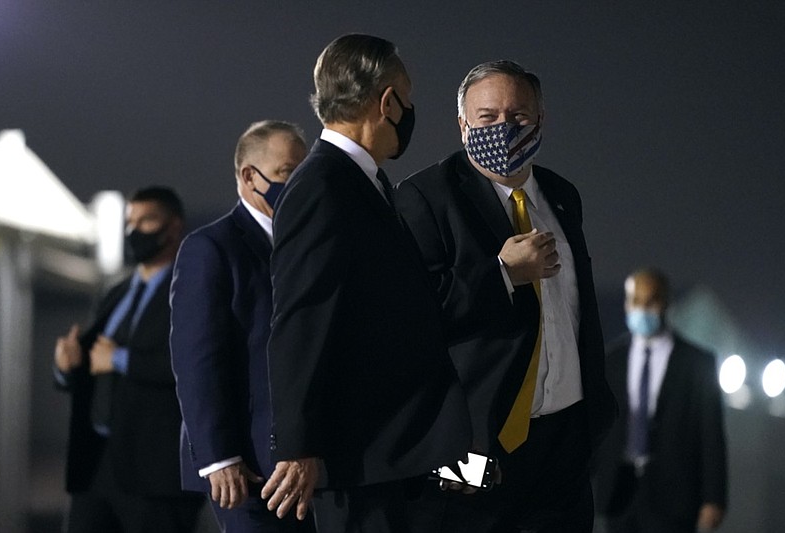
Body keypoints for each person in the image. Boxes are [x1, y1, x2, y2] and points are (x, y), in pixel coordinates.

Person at [394, 59, 618, 532]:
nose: (503, 128)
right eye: (488, 117)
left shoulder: (562, 195)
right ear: (462, 125)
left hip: (564, 446)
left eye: (517, 117)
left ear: (540, 120)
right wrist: (500, 274)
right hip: (476, 449)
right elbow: (409, 319)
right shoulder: (425, 198)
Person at [261, 33, 472, 532]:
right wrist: (299, 445)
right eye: (408, 96)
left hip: (393, 454)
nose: (411, 110)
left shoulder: (363, 183)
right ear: (386, 101)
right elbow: (299, 318)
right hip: (360, 460)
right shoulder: (322, 186)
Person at [169, 120, 313, 533]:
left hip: (307, 467)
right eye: (288, 173)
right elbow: (197, 360)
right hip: (248, 473)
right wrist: (219, 458)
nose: (298, 184)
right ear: (250, 176)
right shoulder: (210, 248)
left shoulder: (306, 246)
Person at [53, 186, 203, 533]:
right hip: (98, 466)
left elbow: (194, 364)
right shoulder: (116, 293)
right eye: (129, 221)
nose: (134, 231)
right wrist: (66, 367)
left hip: (157, 475)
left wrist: (120, 359)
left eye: (146, 220)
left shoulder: (194, 287)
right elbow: (93, 362)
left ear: (173, 227)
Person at [592, 269, 727, 533]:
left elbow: (711, 435)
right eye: (635, 300)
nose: (642, 309)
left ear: (666, 302)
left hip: (674, 496)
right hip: (619, 490)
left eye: (651, 301)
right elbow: (599, 424)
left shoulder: (697, 364)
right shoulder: (611, 361)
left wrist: (714, 498)